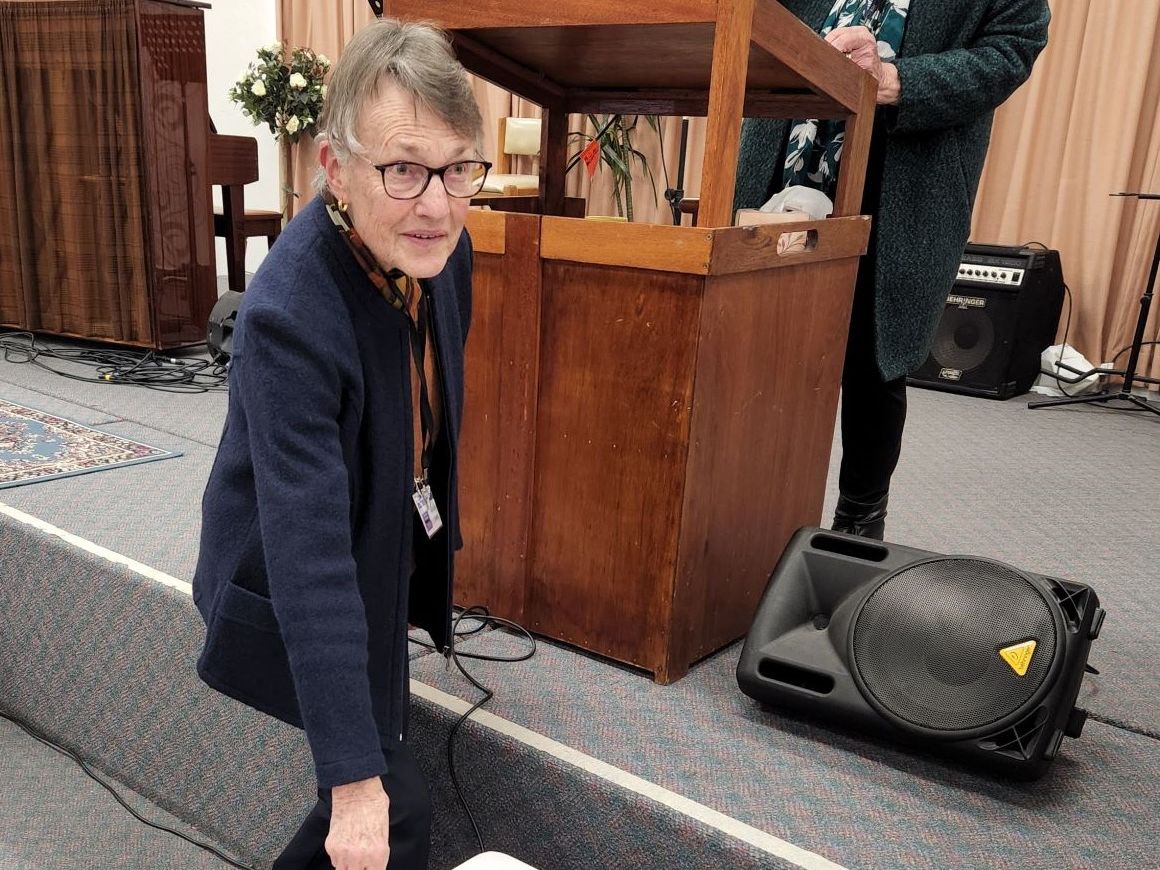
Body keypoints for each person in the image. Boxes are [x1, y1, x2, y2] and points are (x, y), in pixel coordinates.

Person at [192, 19, 489, 870]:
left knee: (380, 776)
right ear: (335, 169)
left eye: (457, 167)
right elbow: (309, 559)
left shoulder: (437, 247)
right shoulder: (288, 314)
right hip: (280, 579)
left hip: (373, 547)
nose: (436, 202)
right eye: (403, 169)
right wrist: (356, 783)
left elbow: (418, 405)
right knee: (387, 808)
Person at [735, 0, 1050, 538]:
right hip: (781, 163)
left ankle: (857, 528)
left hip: (903, 183)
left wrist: (895, 79)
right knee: (751, 353)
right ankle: (740, 517)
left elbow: (1013, 47)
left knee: (871, 363)